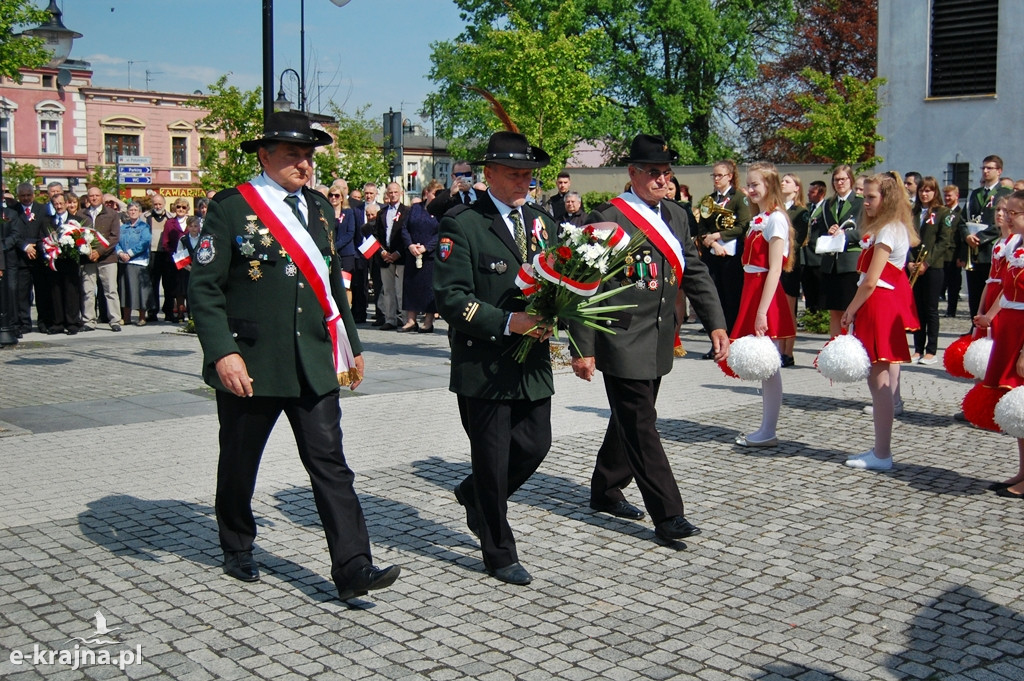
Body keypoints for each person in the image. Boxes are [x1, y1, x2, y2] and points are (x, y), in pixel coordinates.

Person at [188, 111, 399, 603]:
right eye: (292, 154)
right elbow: (205, 290)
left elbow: (331, 285)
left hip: (313, 359)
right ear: (265, 156)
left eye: (308, 155)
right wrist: (223, 353)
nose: (303, 164)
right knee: (241, 461)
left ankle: (354, 567)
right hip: (253, 361)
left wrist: (352, 344)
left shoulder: (322, 209)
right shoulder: (231, 207)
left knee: (331, 463)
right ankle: (237, 541)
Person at [569, 134, 729, 544]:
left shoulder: (676, 215)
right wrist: (582, 346)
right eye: (652, 172)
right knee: (642, 424)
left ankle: (605, 489)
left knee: (631, 417)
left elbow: (693, 271)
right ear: (633, 173)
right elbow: (583, 286)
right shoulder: (608, 218)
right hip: (620, 338)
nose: (661, 180)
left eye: (665, 173)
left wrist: (715, 323)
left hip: (658, 336)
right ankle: (668, 513)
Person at [432, 130, 558, 586]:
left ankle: (473, 495)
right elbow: (451, 297)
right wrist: (508, 322)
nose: (525, 181)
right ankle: (499, 551)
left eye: (529, 174)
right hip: (483, 363)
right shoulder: (462, 223)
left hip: (532, 362)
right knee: (492, 456)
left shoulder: (544, 222)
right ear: (489, 174)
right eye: (515, 173)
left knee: (535, 445)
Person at [840, 174, 921, 471]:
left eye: (872, 197)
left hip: (878, 306)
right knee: (880, 380)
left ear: (887, 199)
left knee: (879, 381)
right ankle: (880, 448)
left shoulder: (888, 230)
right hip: (881, 305)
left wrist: (850, 309)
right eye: (865, 197)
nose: (866, 202)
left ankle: (882, 451)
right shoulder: (893, 228)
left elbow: (871, 281)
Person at [731, 163, 796, 446]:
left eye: (755, 184)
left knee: (769, 365)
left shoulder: (776, 220)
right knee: (766, 365)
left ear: (770, 185)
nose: (750, 189)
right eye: (748, 184)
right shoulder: (761, 218)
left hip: (764, 294)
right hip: (752, 289)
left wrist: (761, 311)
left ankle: (768, 430)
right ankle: (766, 427)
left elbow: (775, 269)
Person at [971, 190, 1024, 497]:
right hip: (1009, 327)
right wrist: (990, 315)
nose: (1009, 217)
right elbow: (1006, 290)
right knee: (1016, 402)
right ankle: (1022, 468)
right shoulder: (1014, 244)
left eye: (1016, 213)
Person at [695, 159, 749, 358]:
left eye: (720, 175)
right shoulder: (708, 200)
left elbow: (744, 224)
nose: (716, 179)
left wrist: (719, 236)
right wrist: (713, 243)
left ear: (729, 177)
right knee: (715, 299)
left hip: (732, 256)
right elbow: (701, 227)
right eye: (714, 175)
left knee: (731, 298)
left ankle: (733, 341)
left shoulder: (738, 198)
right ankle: (716, 343)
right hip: (713, 254)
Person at [813, 165, 864, 337]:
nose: (840, 182)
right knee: (834, 310)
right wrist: (829, 232)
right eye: (836, 179)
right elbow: (819, 229)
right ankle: (834, 344)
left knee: (849, 308)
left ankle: (851, 344)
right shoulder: (828, 203)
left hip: (849, 261)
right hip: (831, 262)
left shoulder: (860, 202)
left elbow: (866, 229)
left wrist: (846, 234)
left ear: (851, 180)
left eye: (843, 179)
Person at [908, 177, 952, 364]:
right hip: (914, 265)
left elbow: (944, 241)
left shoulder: (943, 212)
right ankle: (917, 348)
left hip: (933, 267)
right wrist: (910, 261)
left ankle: (931, 350)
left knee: (930, 309)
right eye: (921, 191)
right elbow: (906, 237)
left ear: (935, 192)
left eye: (928, 190)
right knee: (916, 308)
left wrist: (927, 262)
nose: (924, 194)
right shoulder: (913, 212)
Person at [964, 155, 1013, 321]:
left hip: (990, 246)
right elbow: (964, 218)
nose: (985, 171)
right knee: (975, 292)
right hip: (974, 250)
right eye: (983, 168)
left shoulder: (1005, 193)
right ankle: (975, 322)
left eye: (989, 168)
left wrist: (979, 237)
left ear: (999, 171)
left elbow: (1003, 222)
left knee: (993, 285)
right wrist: (967, 236)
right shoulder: (975, 193)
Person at [401, 180, 441, 332]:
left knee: (428, 289)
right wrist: (410, 245)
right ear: (426, 193)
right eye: (434, 194)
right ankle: (411, 320)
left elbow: (441, 233)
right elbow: (405, 228)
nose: (436, 197)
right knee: (411, 286)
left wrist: (426, 247)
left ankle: (428, 321)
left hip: (430, 256)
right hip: (413, 253)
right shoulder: (415, 208)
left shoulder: (440, 212)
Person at [80, 186, 122, 332]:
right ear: (88, 198)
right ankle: (89, 320)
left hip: (107, 258)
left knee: (110, 290)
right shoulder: (81, 214)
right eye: (91, 196)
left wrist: (99, 251)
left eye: (97, 195)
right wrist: (88, 252)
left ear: (102, 197)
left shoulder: (111, 214)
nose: (94, 198)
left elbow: (114, 237)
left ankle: (115, 320)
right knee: (88, 290)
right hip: (87, 259)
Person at [12, 182, 51, 334]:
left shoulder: (42, 209)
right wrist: (25, 246)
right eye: (23, 196)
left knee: (42, 292)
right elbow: (13, 232)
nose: (26, 198)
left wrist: (36, 246)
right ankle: (24, 323)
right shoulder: (13, 211)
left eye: (29, 195)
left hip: (39, 257)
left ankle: (43, 322)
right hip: (21, 258)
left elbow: (46, 230)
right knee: (22, 293)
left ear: (33, 195)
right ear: (18, 196)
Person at [46, 193, 84, 335]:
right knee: (56, 292)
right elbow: (43, 239)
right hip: (54, 262)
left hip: (71, 263)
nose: (59, 206)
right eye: (56, 204)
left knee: (71, 292)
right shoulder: (48, 221)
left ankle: (72, 322)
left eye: (61, 203)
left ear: (67, 203)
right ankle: (58, 323)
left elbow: (81, 241)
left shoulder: (76, 220)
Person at [373, 182, 409, 331]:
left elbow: (407, 235)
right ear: (386, 194)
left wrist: (398, 253)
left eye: (395, 192)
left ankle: (406, 319)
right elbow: (376, 235)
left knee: (401, 290)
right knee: (387, 290)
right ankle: (390, 319)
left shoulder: (407, 211)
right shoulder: (381, 213)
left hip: (401, 255)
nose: (393, 195)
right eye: (390, 192)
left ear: (400, 193)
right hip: (385, 256)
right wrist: (382, 251)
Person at [116, 202, 152, 326]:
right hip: (124, 262)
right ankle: (126, 317)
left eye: (135, 210)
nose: (133, 212)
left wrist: (130, 253)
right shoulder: (123, 228)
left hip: (139, 262)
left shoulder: (144, 227)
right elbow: (116, 242)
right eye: (130, 210)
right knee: (125, 289)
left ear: (140, 212)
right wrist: (120, 253)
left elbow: (145, 242)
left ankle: (142, 317)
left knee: (140, 290)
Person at [941, 184, 966, 317]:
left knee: (953, 284)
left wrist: (961, 256)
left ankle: (951, 310)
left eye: (949, 195)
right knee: (941, 281)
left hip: (954, 253)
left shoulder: (961, 213)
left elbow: (962, 236)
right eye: (945, 195)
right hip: (941, 253)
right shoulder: (942, 211)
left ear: (957, 196)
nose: (947, 198)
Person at [145, 194, 170, 322]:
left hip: (166, 254)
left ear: (164, 204)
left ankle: (168, 311)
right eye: (155, 204)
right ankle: (152, 311)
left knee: (167, 284)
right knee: (152, 284)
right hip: (152, 254)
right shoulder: (146, 217)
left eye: (160, 204)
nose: (158, 206)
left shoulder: (170, 217)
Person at [174, 216, 202, 319]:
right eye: (191, 226)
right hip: (186, 270)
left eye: (196, 226)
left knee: (196, 293)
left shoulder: (203, 239)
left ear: (199, 227)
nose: (194, 228)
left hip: (199, 270)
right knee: (186, 291)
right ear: (188, 227)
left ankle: (194, 316)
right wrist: (189, 267)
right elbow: (179, 255)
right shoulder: (183, 239)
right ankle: (184, 313)